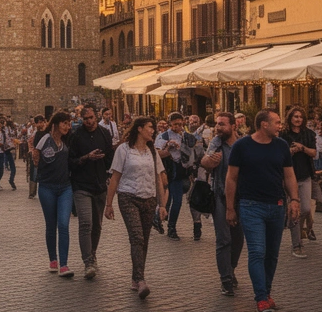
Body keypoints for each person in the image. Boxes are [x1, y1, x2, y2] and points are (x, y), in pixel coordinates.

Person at [224, 109, 299, 312]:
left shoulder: (281, 146)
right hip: (250, 206)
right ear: (264, 124)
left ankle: (266, 293)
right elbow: (231, 178)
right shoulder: (242, 146)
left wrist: (294, 199)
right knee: (257, 251)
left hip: (276, 205)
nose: (280, 125)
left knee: (272, 254)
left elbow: (289, 175)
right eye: (276, 122)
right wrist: (230, 208)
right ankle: (261, 298)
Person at [104, 116, 166, 297]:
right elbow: (115, 177)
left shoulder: (152, 151)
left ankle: (135, 276)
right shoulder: (124, 150)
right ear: (139, 129)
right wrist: (109, 204)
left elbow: (158, 178)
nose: (153, 130)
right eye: (149, 127)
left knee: (144, 239)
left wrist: (162, 204)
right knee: (137, 236)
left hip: (149, 198)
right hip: (128, 197)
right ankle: (140, 280)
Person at [69, 106, 114, 279]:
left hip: (100, 185)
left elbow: (110, 156)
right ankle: (87, 262)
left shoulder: (104, 133)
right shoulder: (76, 136)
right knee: (85, 223)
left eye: (91, 118)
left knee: (97, 225)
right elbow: (71, 161)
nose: (89, 121)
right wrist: (86, 157)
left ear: (96, 117)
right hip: (81, 186)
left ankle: (93, 254)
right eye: (85, 119)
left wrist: (108, 169)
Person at [202, 111, 243, 296]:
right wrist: (210, 161)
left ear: (233, 126)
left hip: (242, 198)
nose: (218, 127)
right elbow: (204, 161)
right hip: (220, 196)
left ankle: (231, 268)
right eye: (217, 124)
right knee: (223, 239)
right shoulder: (216, 143)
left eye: (222, 124)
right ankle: (225, 279)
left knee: (238, 239)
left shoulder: (244, 144)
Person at [32, 111, 75, 277]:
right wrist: (42, 170)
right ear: (56, 124)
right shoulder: (45, 138)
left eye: (69, 124)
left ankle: (64, 264)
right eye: (64, 123)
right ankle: (53, 260)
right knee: (51, 225)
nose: (67, 127)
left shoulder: (66, 141)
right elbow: (36, 155)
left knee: (63, 224)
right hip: (47, 187)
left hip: (65, 187)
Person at [281, 106, 317, 257]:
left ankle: (290, 223)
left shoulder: (308, 134)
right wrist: (290, 151)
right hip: (289, 177)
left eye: (300, 117)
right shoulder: (283, 135)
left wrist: (302, 148)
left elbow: (314, 153)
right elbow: (279, 154)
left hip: (305, 175)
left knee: (306, 209)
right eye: (295, 116)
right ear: (290, 118)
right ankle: (297, 245)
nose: (298, 119)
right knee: (295, 209)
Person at [157, 112, 198, 240]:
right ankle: (171, 227)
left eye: (180, 124)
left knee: (170, 199)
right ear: (170, 124)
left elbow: (194, 149)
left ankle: (158, 218)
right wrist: (168, 148)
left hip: (183, 171)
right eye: (175, 124)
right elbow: (157, 154)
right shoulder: (163, 136)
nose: (178, 127)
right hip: (171, 171)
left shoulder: (186, 135)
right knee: (176, 201)